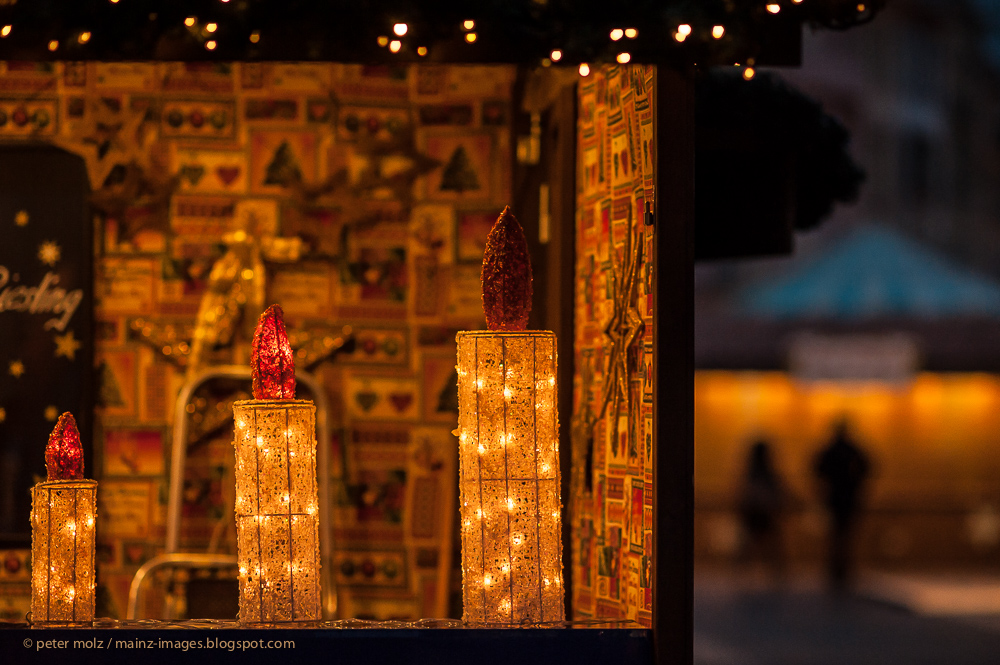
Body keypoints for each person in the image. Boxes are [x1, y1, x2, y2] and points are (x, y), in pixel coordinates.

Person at [814, 419, 871, 591]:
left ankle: (836, 569)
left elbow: (817, 469)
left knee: (836, 535)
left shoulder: (831, 450)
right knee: (845, 535)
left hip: (835, 497)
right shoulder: (850, 449)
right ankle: (842, 569)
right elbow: (867, 466)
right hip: (848, 496)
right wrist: (855, 483)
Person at [737, 439, 786, 581]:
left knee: (749, 543)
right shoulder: (768, 471)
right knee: (772, 544)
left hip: (753, 511)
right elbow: (778, 489)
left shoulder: (751, 471)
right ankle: (778, 572)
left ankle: (741, 571)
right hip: (765, 512)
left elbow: (744, 491)